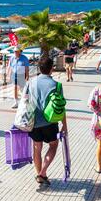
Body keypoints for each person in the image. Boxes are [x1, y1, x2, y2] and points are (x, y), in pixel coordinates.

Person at [27, 56, 68, 186]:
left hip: (33, 121)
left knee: (37, 147)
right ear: (52, 69)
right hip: (50, 122)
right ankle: (42, 173)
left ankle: (40, 174)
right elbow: (61, 107)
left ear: (39, 68)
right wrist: (64, 125)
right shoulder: (56, 85)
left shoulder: (31, 82)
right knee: (53, 145)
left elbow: (24, 101)